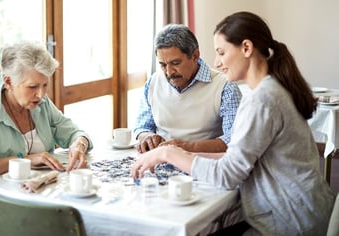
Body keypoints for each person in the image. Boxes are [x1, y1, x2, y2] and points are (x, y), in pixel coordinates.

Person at [132, 12, 335, 235]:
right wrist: (174, 153)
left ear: (246, 48)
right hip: (299, 212)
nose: (217, 62)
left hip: (292, 222)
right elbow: (236, 157)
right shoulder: (270, 90)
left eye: (221, 52)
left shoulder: (263, 100)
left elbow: (228, 174)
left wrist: (169, 154)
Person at [0, 41, 93, 179]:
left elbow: (74, 133)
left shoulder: (42, 104)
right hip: (1, 195)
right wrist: (25, 159)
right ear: (8, 82)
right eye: (32, 87)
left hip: (41, 188)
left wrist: (79, 145)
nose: (41, 94)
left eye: (45, 85)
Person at [134, 24, 242, 154]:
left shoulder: (226, 87)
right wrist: (147, 137)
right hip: (160, 161)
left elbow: (234, 140)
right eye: (163, 65)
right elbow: (142, 126)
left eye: (175, 63)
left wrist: (186, 147)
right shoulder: (153, 82)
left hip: (204, 164)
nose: (169, 72)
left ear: (195, 56)